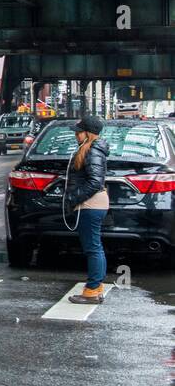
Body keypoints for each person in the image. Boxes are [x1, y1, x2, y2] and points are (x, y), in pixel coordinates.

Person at [64, 115, 109, 305]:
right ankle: (96, 288)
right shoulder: (90, 149)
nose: (76, 135)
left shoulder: (93, 151)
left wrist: (74, 198)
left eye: (79, 131)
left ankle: (91, 291)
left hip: (90, 204)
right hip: (92, 203)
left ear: (87, 133)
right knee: (95, 246)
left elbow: (94, 182)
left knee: (92, 248)